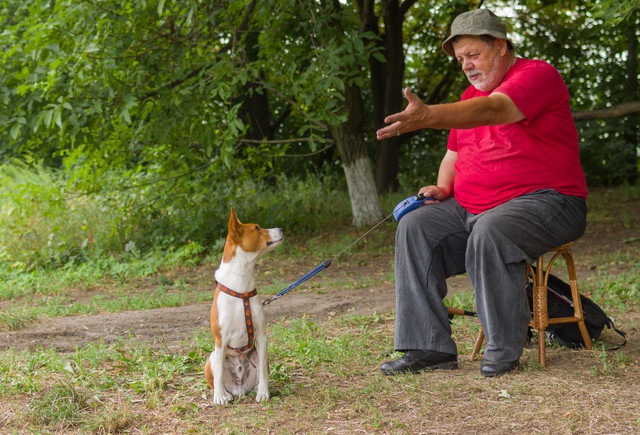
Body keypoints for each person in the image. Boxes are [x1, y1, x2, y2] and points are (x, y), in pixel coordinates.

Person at [376, 9, 588, 377]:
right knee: (416, 226)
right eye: (460, 60)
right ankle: (428, 347)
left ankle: (503, 349)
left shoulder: (537, 75)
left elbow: (496, 110)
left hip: (550, 202)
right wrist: (443, 187)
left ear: (501, 46)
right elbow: (453, 155)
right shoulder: (468, 97)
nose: (466, 66)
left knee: (492, 229)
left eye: (473, 55)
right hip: (475, 208)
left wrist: (428, 115)